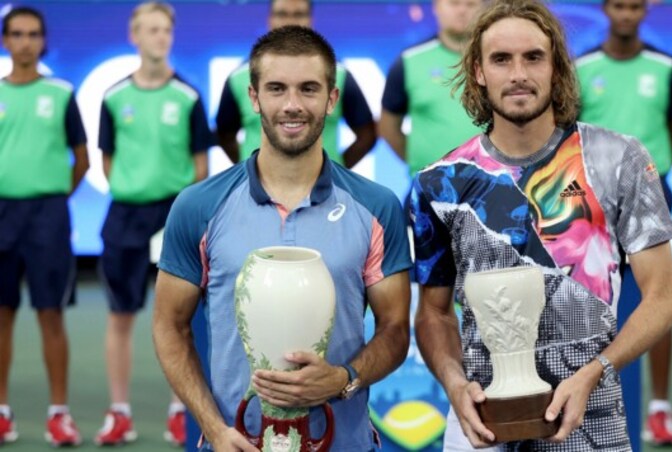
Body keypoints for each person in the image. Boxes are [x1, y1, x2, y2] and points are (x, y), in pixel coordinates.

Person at [411, 0, 672, 449]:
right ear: (479, 72)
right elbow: (434, 313)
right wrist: (456, 385)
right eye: (501, 59)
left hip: (590, 413)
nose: (518, 73)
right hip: (482, 419)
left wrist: (596, 372)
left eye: (533, 57)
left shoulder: (618, 160)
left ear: (556, 68)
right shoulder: (439, 184)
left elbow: (663, 297)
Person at [152, 26, 412, 451]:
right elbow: (169, 325)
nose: (292, 105)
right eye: (277, 89)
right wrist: (215, 430)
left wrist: (343, 380)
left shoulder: (377, 207)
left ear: (332, 99)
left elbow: (396, 329)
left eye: (309, 89)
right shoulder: (198, 206)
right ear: (254, 98)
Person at [96, 1, 213, 446]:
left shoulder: (187, 97)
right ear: (135, 36)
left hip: (173, 215)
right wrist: (135, 187)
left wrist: (176, 206)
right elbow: (108, 161)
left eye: (165, 30)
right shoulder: (114, 97)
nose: (159, 37)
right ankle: (120, 412)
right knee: (120, 315)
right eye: (151, 29)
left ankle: (180, 411)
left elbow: (200, 166)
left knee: (180, 317)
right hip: (124, 216)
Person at [574, 0, 672, 445]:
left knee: (657, 297)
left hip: (651, 197)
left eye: (634, 6)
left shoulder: (667, 66)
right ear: (606, 9)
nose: (626, 13)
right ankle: (587, 399)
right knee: (586, 304)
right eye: (619, 5)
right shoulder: (583, 66)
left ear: (645, 10)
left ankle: (658, 407)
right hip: (589, 204)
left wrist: (643, 180)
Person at [0, 6, 88, 447]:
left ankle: (59, 413)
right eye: (16, 34)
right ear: (5, 41)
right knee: (2, 315)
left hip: (48, 218)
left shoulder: (60, 93)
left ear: (43, 40)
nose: (26, 42)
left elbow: (82, 159)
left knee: (50, 314)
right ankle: (1, 411)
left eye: (34, 34)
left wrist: (52, 199)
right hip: (1, 216)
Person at [216, 0, 376, 167]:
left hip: (327, 190)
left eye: (299, 14)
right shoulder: (239, 78)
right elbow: (224, 135)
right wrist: (248, 171)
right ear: (269, 19)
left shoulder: (339, 76)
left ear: (311, 20)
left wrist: (336, 172)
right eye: (282, 14)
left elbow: (366, 134)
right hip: (253, 190)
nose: (290, 22)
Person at [379, 0, 483, 181]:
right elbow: (388, 127)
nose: (462, 10)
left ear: (483, 7)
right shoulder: (409, 61)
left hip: (490, 191)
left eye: (471, 4)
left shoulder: (502, 60)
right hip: (428, 193)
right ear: (436, 6)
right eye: (454, 3)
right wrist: (423, 165)